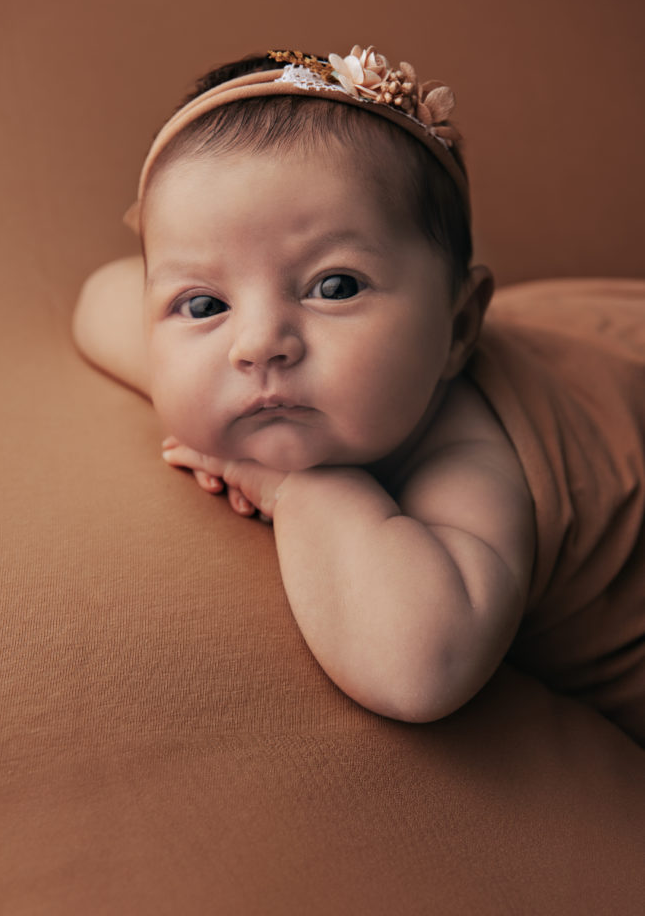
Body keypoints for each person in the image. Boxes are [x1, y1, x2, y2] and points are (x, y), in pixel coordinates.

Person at [73, 45, 645, 741]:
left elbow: (420, 665)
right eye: (203, 304)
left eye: (334, 287)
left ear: (459, 328)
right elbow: (103, 298)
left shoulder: (471, 453)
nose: (257, 344)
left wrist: (298, 486)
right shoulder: (308, 363)